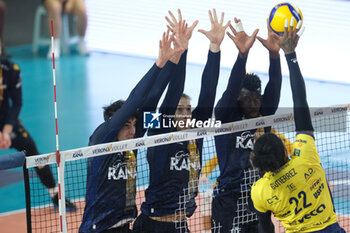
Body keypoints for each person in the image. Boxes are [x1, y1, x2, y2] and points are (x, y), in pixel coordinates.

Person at [132, 9, 228, 233]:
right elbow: (174, 92)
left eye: (188, 110)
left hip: (180, 225)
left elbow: (209, 90)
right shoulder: (159, 131)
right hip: (152, 225)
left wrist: (215, 49)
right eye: (179, 110)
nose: (185, 114)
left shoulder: (197, 133)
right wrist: (182, 51)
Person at [79, 30, 184, 233]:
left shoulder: (132, 143)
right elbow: (135, 100)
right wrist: (159, 64)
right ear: (114, 122)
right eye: (126, 125)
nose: (132, 130)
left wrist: (175, 59)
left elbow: (152, 99)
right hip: (97, 229)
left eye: (134, 124)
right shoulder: (102, 138)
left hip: (125, 226)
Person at [250, 18, 346, 233]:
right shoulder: (306, 158)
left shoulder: (260, 191)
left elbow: (266, 229)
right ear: (286, 151)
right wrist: (290, 55)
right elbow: (300, 104)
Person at [212, 18, 282, 232]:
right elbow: (232, 88)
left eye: (257, 98)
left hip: (259, 196)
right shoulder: (226, 116)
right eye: (247, 98)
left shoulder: (264, 114)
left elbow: (275, 83)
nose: (254, 103)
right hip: (229, 198)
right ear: (237, 99)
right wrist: (242, 56)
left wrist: (274, 55)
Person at [0, 40, 76, 211]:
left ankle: (55, 195)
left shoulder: (11, 70)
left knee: (34, 154)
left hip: (6, 121)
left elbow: (17, 103)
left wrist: (7, 130)